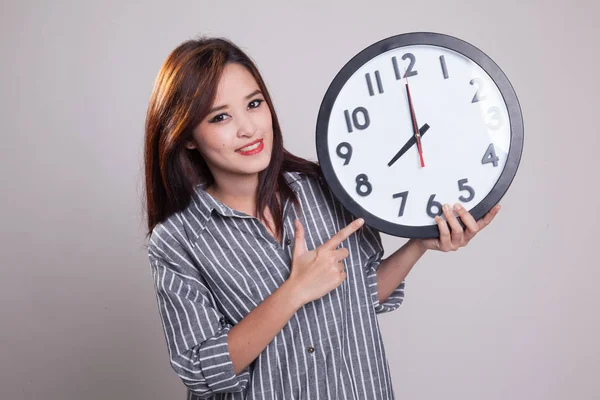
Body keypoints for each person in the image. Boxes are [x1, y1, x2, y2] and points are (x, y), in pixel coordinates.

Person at [143, 37, 500, 400]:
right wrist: (294, 292)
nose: (248, 128)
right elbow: (203, 374)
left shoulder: (324, 188)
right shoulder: (178, 240)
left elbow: (362, 296)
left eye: (254, 104)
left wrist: (419, 244)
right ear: (187, 135)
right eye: (220, 117)